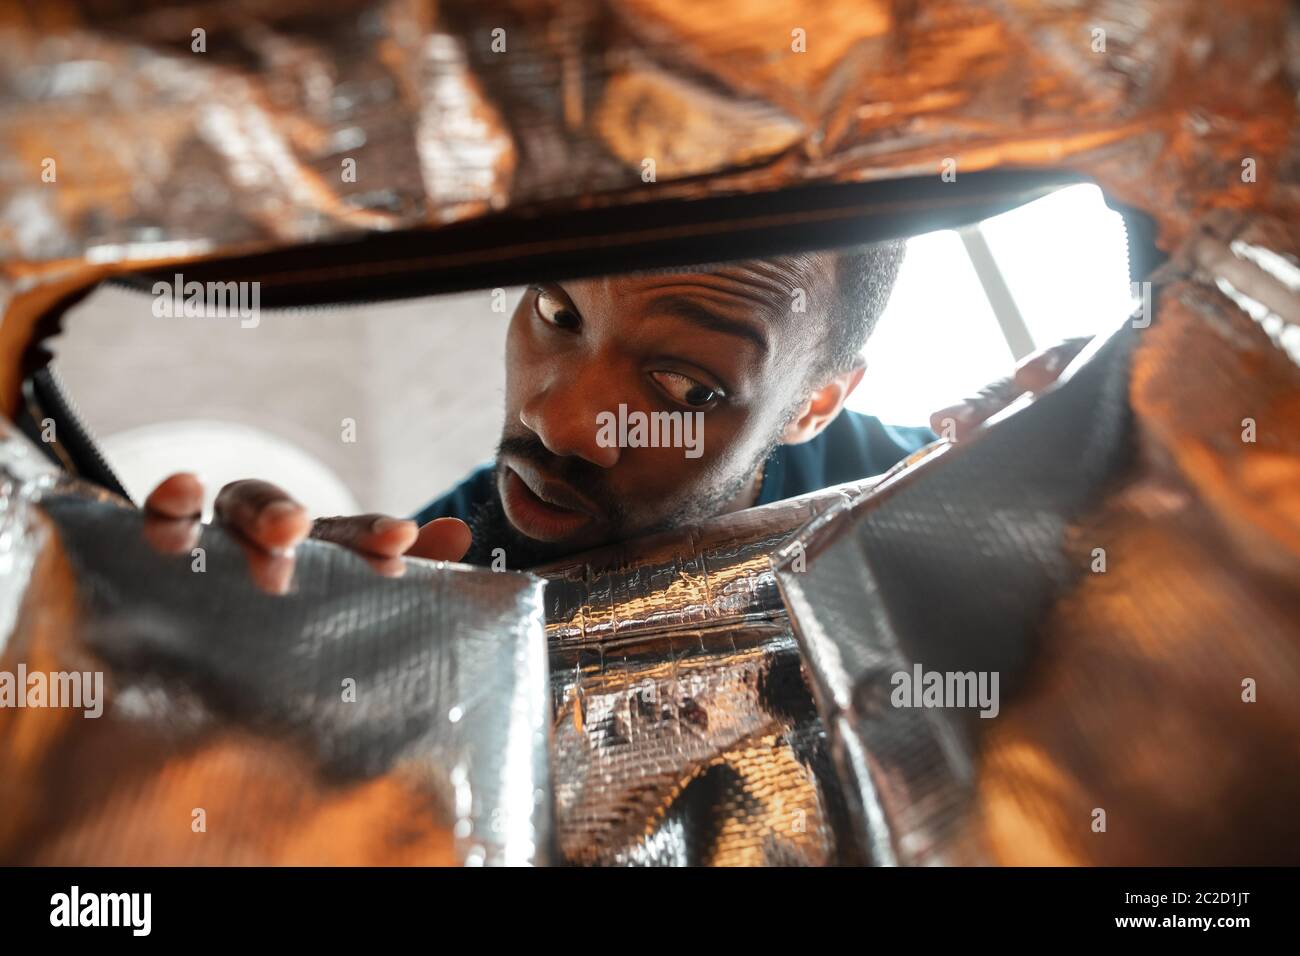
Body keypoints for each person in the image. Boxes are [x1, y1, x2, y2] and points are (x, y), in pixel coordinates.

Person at [140, 245, 1084, 587]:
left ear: (814, 405)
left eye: (684, 392)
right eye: (558, 312)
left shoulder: (928, 495)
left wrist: (1116, 459)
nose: (561, 422)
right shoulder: (440, 560)